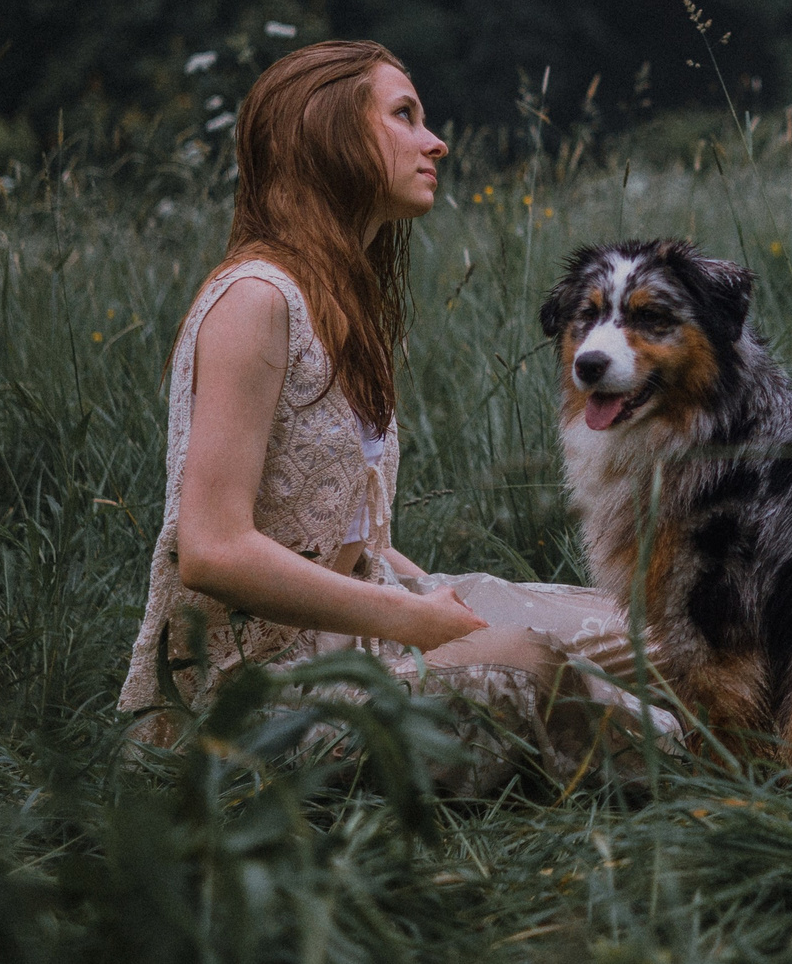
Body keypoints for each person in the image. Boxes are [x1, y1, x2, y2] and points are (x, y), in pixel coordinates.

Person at [118, 40, 671, 789]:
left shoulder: (342, 300)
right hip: (258, 695)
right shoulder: (255, 299)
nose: (435, 140)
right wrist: (410, 621)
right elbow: (212, 549)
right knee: (537, 667)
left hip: (366, 621)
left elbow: (351, 533)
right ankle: (740, 767)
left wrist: (429, 601)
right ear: (330, 136)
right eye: (404, 115)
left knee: (662, 635)